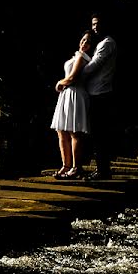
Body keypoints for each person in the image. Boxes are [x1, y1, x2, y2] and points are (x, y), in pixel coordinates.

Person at [59, 12, 118, 180]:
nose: (95, 27)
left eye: (98, 23)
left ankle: (101, 170)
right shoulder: (100, 44)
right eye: (93, 24)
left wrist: (72, 77)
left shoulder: (107, 44)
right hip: (93, 92)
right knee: (94, 133)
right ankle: (97, 168)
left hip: (100, 92)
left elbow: (92, 67)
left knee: (97, 133)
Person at [50, 30, 97, 179]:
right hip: (67, 94)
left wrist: (59, 84)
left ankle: (76, 167)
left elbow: (72, 77)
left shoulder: (83, 57)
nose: (84, 43)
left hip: (75, 93)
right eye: (83, 40)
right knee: (61, 130)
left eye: (88, 42)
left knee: (74, 131)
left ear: (91, 46)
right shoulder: (77, 55)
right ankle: (66, 165)